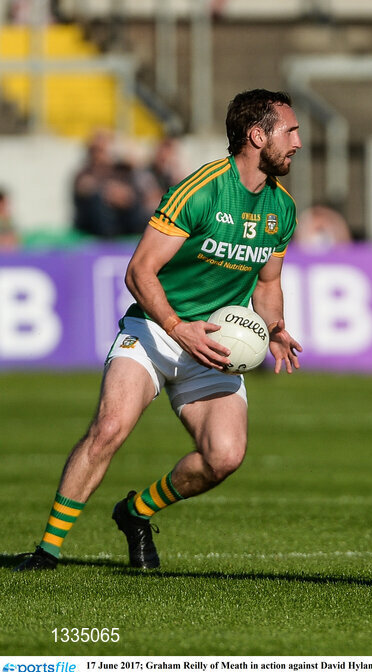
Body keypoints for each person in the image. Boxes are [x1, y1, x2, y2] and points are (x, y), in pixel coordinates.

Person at [13, 89, 304, 572]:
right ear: (257, 135)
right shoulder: (202, 189)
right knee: (109, 428)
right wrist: (176, 326)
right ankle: (47, 551)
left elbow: (268, 283)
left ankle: (135, 512)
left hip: (212, 343)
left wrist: (274, 326)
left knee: (224, 458)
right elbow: (139, 271)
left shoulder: (283, 209)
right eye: (289, 131)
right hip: (154, 329)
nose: (297, 142)